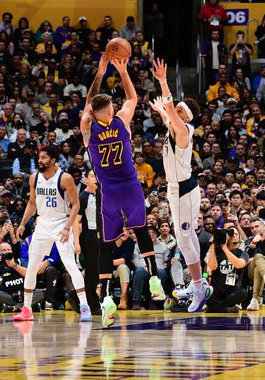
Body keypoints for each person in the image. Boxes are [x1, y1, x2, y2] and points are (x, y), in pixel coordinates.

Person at [81, 54, 165, 327]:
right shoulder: (121, 121)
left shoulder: (88, 127)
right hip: (130, 186)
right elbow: (132, 99)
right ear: (109, 110)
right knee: (141, 230)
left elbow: (87, 105)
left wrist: (100, 73)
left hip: (108, 192)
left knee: (106, 244)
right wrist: (123, 72)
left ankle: (106, 300)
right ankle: (153, 279)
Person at [148, 58, 208, 313]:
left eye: (180, 111)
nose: (176, 113)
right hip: (179, 189)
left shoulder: (183, 130)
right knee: (189, 236)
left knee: (183, 241)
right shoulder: (174, 128)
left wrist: (163, 82)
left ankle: (197, 287)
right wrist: (162, 110)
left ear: (186, 117)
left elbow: (171, 109)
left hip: (183, 189)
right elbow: (167, 114)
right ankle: (200, 281)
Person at [13, 145, 90, 322]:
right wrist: (23, 223)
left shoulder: (65, 178)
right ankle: (27, 309)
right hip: (42, 225)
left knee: (70, 264)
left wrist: (67, 228)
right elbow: (32, 203)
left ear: (53, 160)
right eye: (40, 158)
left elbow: (76, 205)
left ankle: (84, 306)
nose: (40, 160)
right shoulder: (34, 178)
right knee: (32, 266)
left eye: (44, 158)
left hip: (61, 224)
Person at [73, 170, 101, 314]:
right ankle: (92, 304)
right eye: (92, 176)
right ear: (85, 179)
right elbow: (75, 221)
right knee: (91, 272)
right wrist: (77, 243)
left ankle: (75, 296)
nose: (96, 179)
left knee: (97, 271)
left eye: (97, 176)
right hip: (88, 237)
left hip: (99, 236)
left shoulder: (100, 195)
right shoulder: (83, 196)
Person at [205, 227, 248, 313]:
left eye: (236, 234)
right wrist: (213, 245)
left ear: (239, 238)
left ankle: (214, 308)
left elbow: (239, 264)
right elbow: (212, 267)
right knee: (205, 294)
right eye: (230, 234)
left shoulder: (242, 253)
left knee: (243, 293)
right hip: (216, 289)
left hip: (231, 290)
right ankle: (227, 309)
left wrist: (225, 248)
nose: (233, 236)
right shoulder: (217, 251)